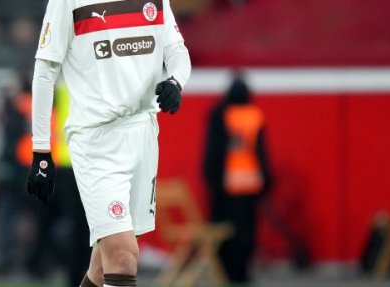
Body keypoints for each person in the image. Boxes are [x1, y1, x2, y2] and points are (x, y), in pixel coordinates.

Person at [25, 0, 191, 286]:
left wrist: (176, 82)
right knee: (124, 259)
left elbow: (176, 50)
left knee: (103, 268)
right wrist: (41, 150)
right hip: (96, 140)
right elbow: (45, 69)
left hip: (143, 136)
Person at [202, 76, 272, 284]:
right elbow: (261, 152)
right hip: (250, 185)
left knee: (224, 232)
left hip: (224, 186)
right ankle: (242, 272)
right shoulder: (254, 115)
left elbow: (212, 151)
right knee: (246, 232)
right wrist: (267, 181)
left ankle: (225, 272)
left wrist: (211, 178)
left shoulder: (219, 114)